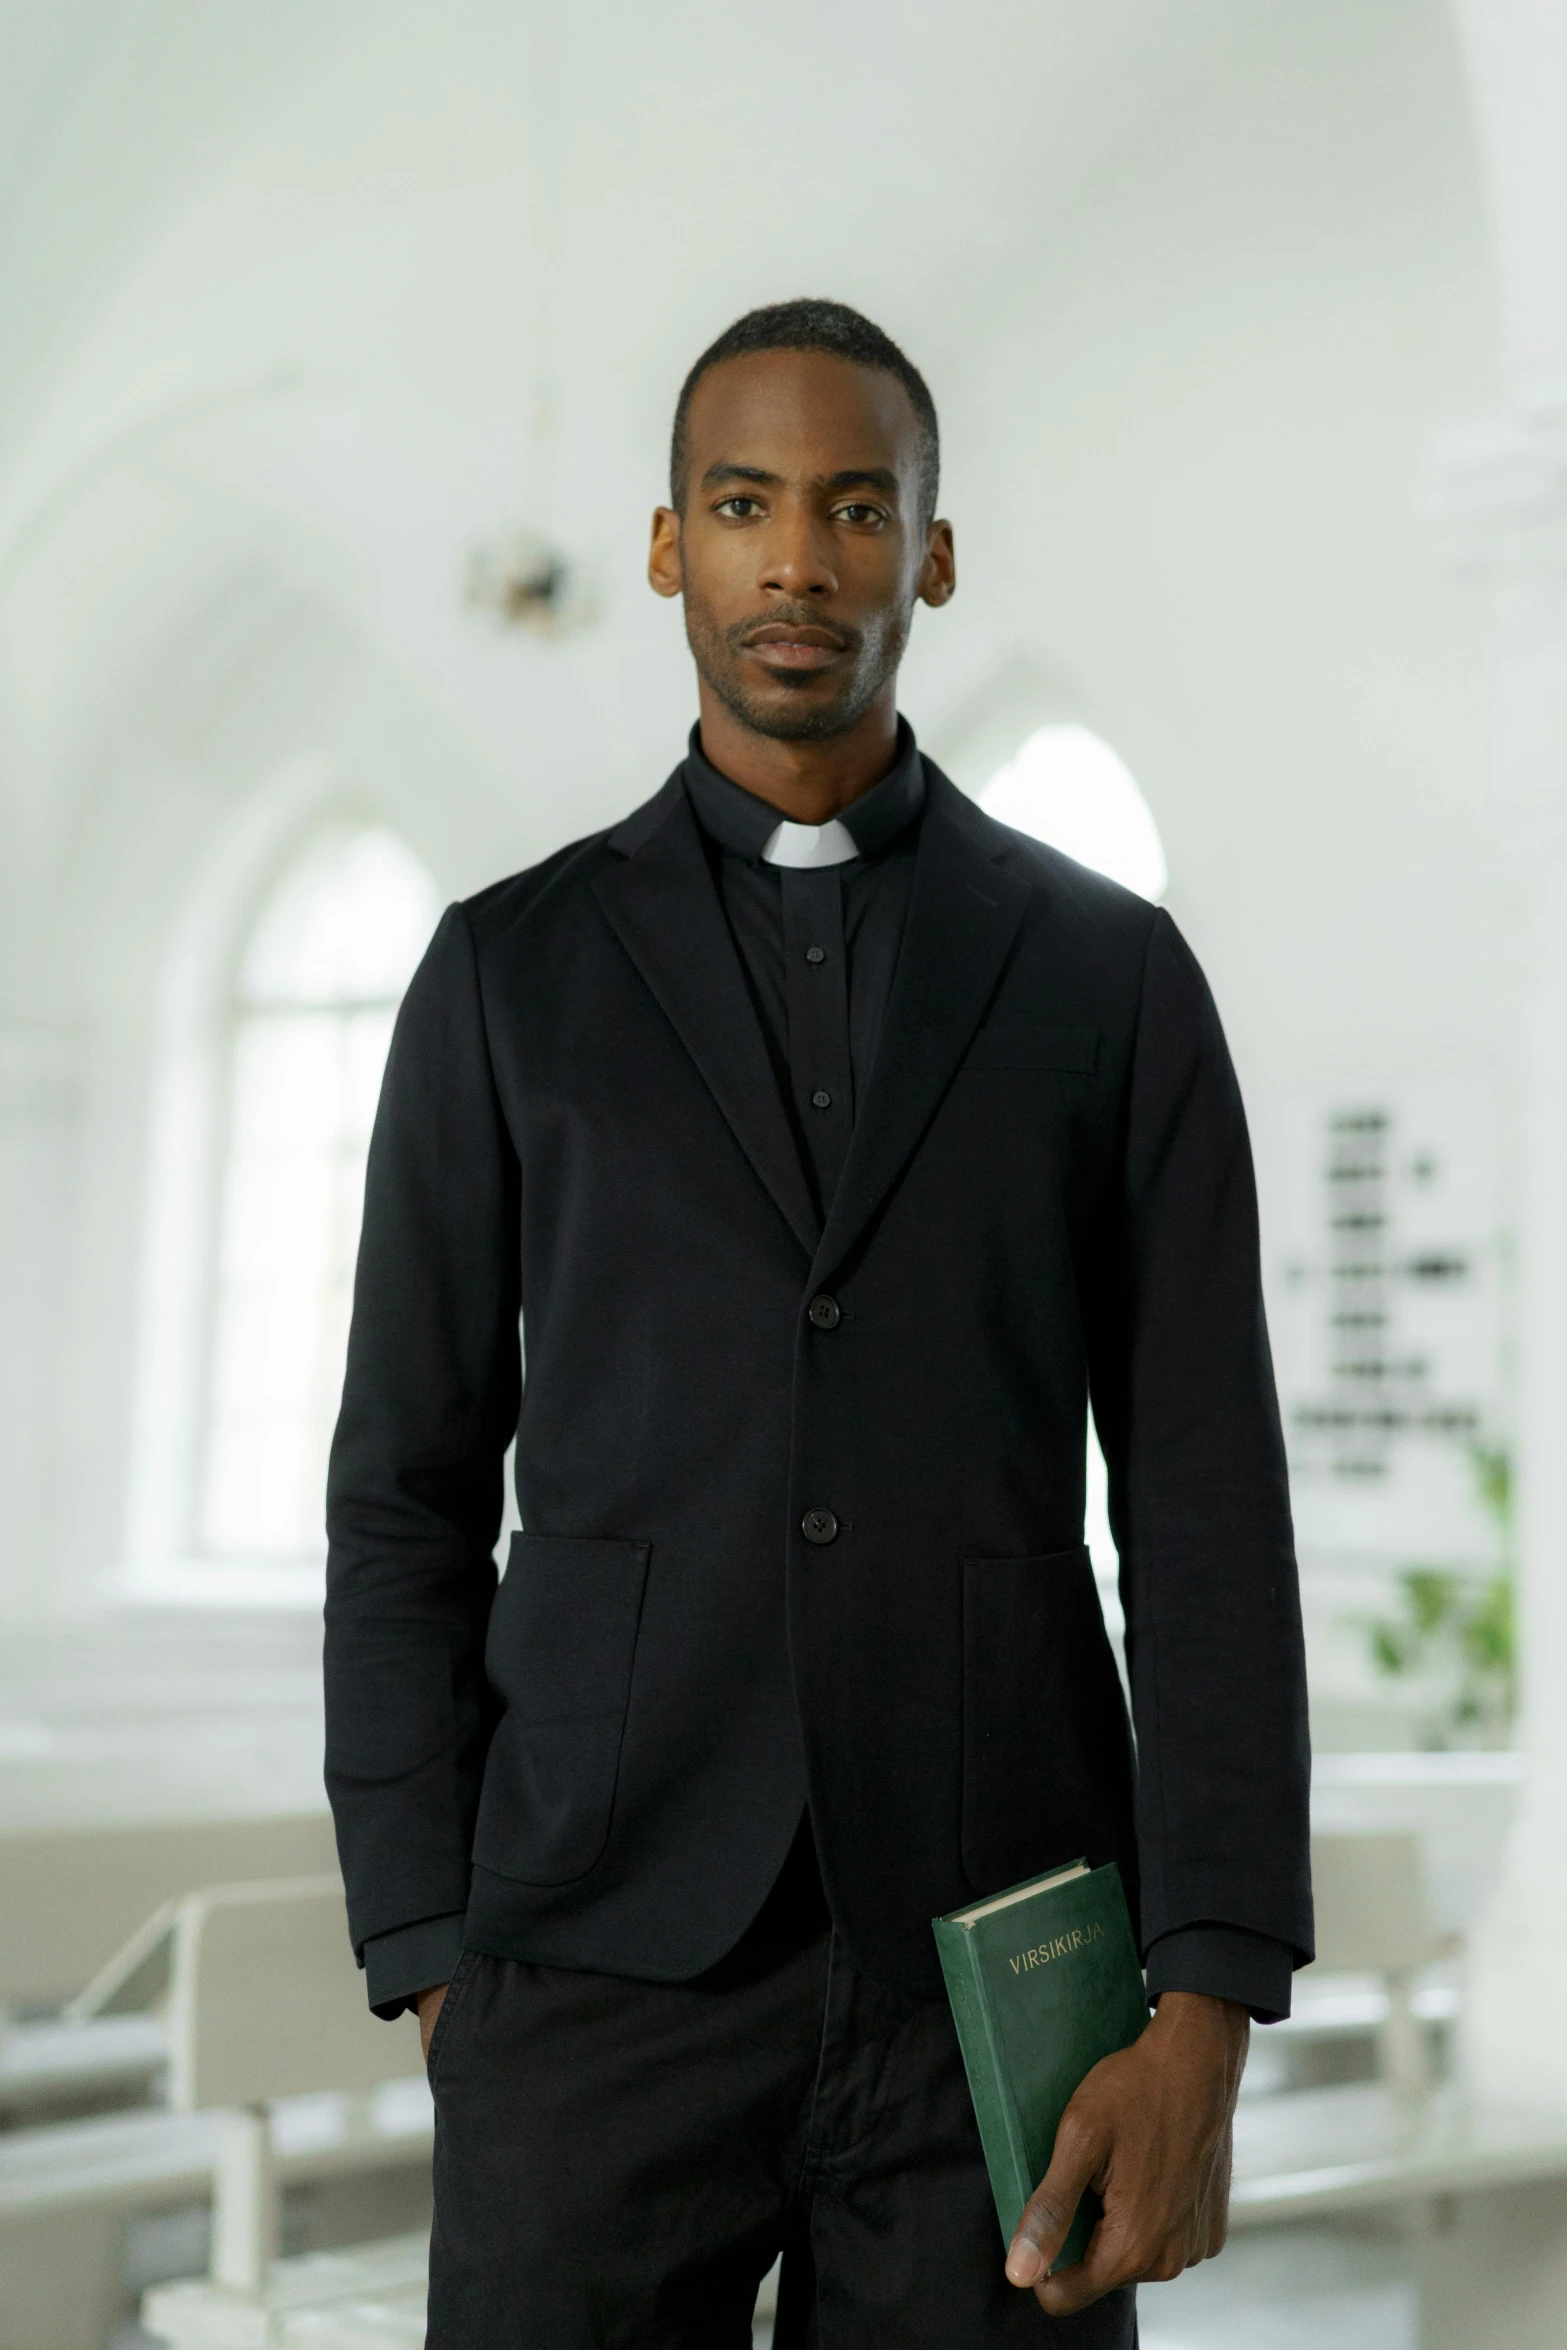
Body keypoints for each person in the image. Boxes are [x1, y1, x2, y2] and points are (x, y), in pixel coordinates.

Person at [324, 297, 1311, 2349]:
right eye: (747, 505)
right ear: (671, 542)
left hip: (999, 1967)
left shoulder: (1108, 980)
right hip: (588, 1965)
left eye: (859, 508)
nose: (802, 561)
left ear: (933, 550)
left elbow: (1208, 1503)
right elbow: (405, 1487)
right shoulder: (508, 976)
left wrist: (1207, 1989)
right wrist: (432, 1940)